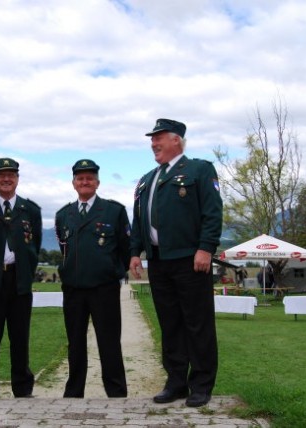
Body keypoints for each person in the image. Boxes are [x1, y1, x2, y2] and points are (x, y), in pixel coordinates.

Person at [129, 119, 223, 407]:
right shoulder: (146, 179)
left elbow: (212, 212)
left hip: (190, 259)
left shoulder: (199, 170)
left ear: (176, 140)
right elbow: (139, 220)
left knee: (197, 323)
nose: (153, 144)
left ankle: (201, 384)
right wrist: (135, 252)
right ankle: (176, 382)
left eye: (158, 138)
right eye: (152, 139)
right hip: (159, 261)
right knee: (170, 325)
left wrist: (205, 248)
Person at [55, 159, 130, 398]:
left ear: (97, 182)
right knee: (75, 343)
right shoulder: (63, 214)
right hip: (74, 289)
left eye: (89, 178)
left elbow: (125, 248)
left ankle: (116, 391)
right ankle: (74, 391)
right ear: (74, 183)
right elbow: (63, 248)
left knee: (109, 343)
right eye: (80, 178)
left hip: (104, 288)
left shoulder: (114, 211)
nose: (84, 181)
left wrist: (112, 271)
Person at [0, 157, 42, 398]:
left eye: (11, 175)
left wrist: (26, 272)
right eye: (1, 175)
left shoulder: (30, 210)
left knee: (20, 337)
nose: (6, 179)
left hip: (19, 282)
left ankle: (22, 387)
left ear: (17, 179)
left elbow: (35, 246)